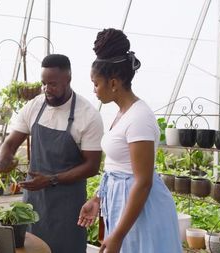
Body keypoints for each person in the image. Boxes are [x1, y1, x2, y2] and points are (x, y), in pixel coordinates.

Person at [0, 54, 104, 253]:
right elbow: (10, 143)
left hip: (68, 205)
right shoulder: (35, 106)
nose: (47, 90)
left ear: (68, 79)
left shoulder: (87, 115)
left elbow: (92, 165)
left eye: (52, 84)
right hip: (33, 202)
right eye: (44, 84)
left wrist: (51, 179)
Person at [77, 28, 182, 253]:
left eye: (96, 83)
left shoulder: (139, 118)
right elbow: (117, 167)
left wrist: (117, 236)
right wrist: (97, 198)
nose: (94, 90)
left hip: (143, 211)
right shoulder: (123, 113)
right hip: (124, 206)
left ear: (113, 83)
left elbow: (143, 181)